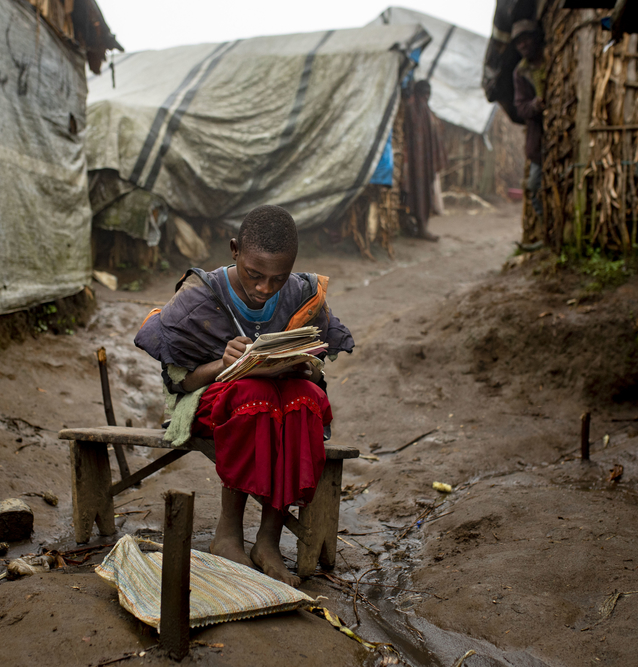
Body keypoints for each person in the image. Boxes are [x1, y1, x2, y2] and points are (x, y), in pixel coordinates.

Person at [135, 205, 354, 586]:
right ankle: (228, 535)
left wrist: (305, 367)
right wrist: (222, 365)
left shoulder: (302, 293)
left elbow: (318, 359)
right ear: (235, 249)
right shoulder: (199, 296)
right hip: (210, 402)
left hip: (279, 396)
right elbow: (180, 383)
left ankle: (268, 541)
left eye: (277, 278)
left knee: (305, 397)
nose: (264, 288)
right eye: (255, 275)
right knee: (254, 392)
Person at [512, 19, 546, 225]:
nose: (523, 45)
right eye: (519, 42)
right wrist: (535, 106)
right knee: (534, 184)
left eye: (526, 40)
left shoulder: (550, 59)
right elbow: (520, 107)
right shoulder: (520, 72)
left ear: (535, 39)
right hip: (538, 139)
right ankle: (546, 230)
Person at [404, 79, 446, 242]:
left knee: (425, 194)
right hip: (414, 163)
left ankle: (423, 227)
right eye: (424, 94)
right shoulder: (411, 109)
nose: (426, 98)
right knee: (413, 195)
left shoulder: (426, 111)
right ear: (417, 93)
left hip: (425, 163)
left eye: (429, 94)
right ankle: (418, 227)